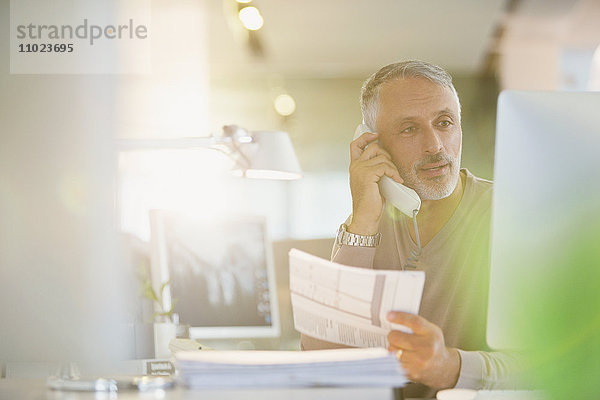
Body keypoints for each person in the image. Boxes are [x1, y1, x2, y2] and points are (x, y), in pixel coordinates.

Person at [301, 60, 520, 398]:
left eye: (444, 123)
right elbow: (323, 362)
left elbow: (559, 365)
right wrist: (363, 222)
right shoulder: (367, 224)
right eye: (409, 129)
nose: (435, 145)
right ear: (372, 144)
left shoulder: (512, 214)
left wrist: (452, 368)